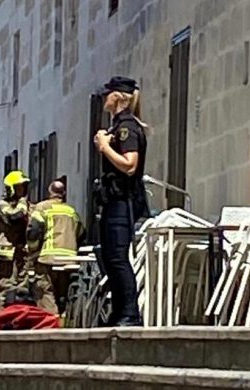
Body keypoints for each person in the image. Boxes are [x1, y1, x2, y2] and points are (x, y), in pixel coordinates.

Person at [94, 76, 149, 327]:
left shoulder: (127, 126)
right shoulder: (117, 126)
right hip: (112, 200)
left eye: (108, 93)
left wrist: (105, 147)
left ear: (118, 97)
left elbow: (130, 165)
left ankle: (130, 313)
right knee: (108, 256)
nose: (105, 98)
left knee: (117, 257)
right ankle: (118, 313)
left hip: (123, 200)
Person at [26, 181, 86, 315]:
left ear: (50, 192)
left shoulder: (42, 208)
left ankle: (50, 322)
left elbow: (33, 232)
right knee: (63, 294)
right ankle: (63, 319)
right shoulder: (71, 211)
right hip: (69, 261)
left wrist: (32, 251)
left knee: (44, 291)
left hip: (48, 259)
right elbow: (81, 233)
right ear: (63, 194)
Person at [0, 171, 31, 311]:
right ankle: (0, 318)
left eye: (24, 187)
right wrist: (22, 202)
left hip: (23, 254)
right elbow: (16, 217)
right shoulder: (4, 205)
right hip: (7, 253)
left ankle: (17, 319)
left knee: (22, 289)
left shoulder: (27, 206)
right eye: (19, 187)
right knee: (5, 287)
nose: (22, 190)